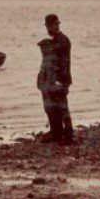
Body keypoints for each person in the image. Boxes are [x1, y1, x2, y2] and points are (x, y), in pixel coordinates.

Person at [43, 13, 74, 144]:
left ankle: (68, 134)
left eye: (54, 25)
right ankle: (56, 133)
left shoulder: (63, 40)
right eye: (50, 26)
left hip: (61, 78)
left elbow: (62, 63)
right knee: (52, 106)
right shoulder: (56, 40)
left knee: (62, 107)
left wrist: (62, 81)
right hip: (53, 79)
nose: (51, 28)